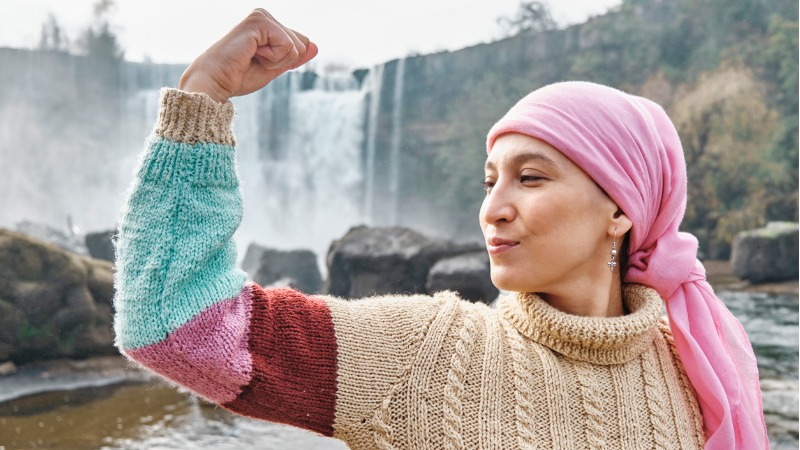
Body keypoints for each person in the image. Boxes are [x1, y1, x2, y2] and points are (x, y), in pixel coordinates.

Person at [113, 9, 767, 450]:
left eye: (530, 178)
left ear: (621, 208)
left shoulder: (699, 367)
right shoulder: (427, 353)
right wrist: (204, 98)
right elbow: (175, 324)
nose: (493, 208)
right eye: (490, 182)